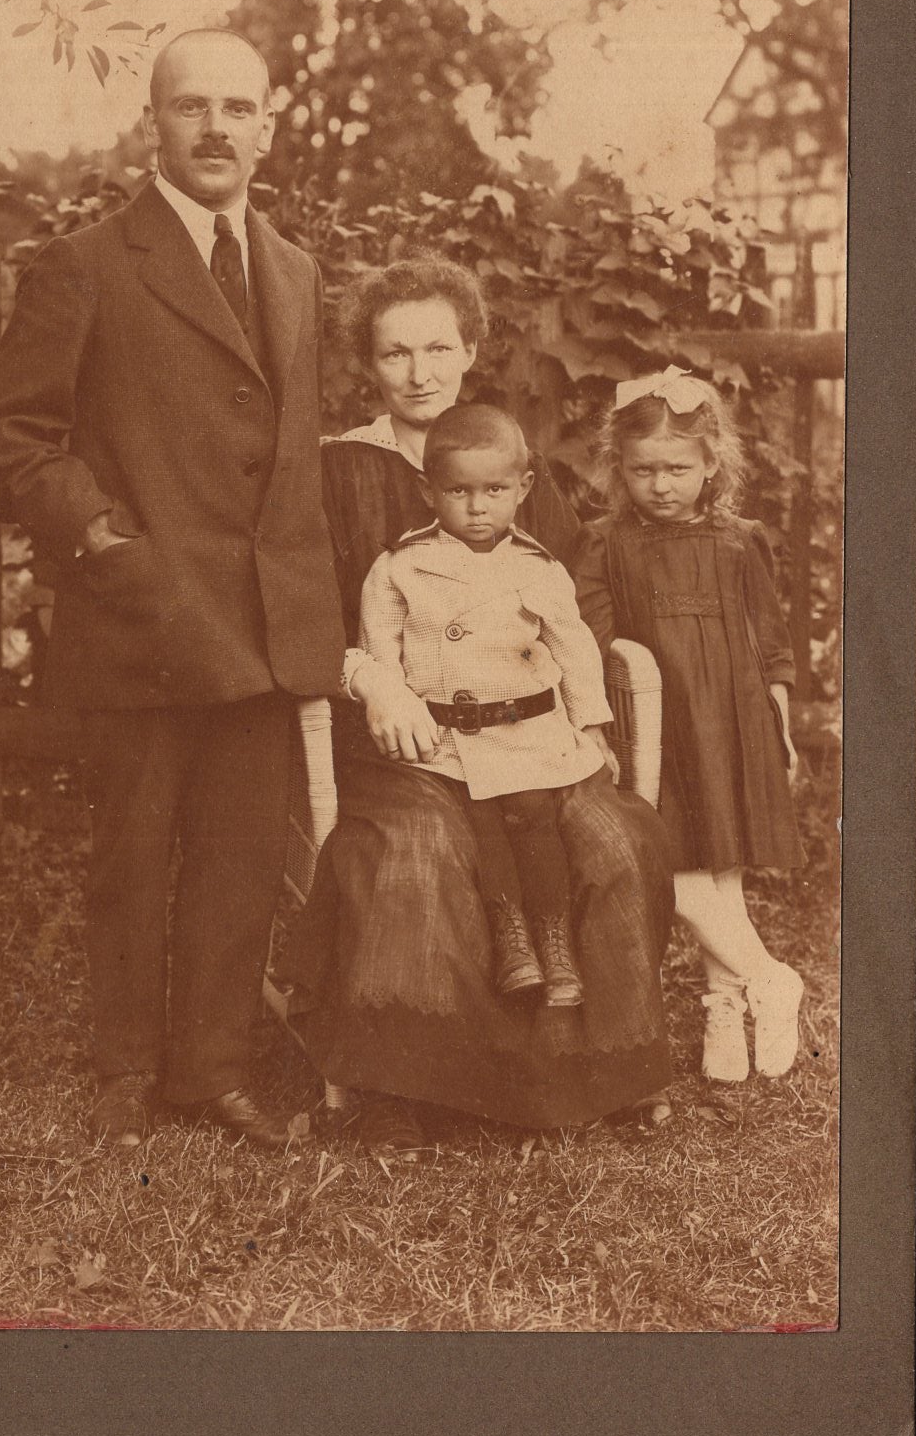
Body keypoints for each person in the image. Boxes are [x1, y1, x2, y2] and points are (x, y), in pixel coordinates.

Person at [0, 29, 345, 1149]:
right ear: (154, 124)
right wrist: (100, 537)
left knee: (237, 861)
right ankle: (123, 1077)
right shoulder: (86, 262)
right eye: (192, 107)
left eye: (238, 108)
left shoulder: (293, 267)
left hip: (263, 626)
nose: (215, 128)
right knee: (133, 859)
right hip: (142, 622)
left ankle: (212, 1071)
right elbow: (7, 440)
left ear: (268, 127)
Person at [279, 258, 675, 1148]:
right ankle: (402, 1090)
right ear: (368, 365)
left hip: (531, 736)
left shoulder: (506, 458)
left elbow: (573, 597)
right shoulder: (337, 470)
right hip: (403, 738)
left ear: (469, 351)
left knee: (616, 839)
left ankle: (605, 1074)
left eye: (437, 348)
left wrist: (587, 715)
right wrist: (372, 680)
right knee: (416, 850)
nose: (420, 372)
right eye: (395, 353)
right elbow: (304, 615)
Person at [571, 365, 805, 1083]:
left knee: (720, 865)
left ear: (711, 463)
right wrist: (603, 729)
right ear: (620, 469)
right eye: (644, 470)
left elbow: (772, 646)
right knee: (675, 865)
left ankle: (722, 1006)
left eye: (677, 467)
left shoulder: (740, 542)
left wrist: (783, 727)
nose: (661, 484)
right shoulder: (605, 543)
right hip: (659, 731)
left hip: (732, 724)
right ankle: (770, 976)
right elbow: (592, 642)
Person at [358, 402, 625, 1010]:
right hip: (450, 738)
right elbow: (379, 654)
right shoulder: (401, 567)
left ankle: (553, 943)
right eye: (458, 491)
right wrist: (392, 701)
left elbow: (575, 646)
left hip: (527, 729)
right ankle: (511, 941)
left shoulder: (538, 567)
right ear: (428, 491)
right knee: (479, 824)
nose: (478, 508)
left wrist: (592, 724)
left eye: (495, 490)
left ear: (523, 488)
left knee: (534, 814)